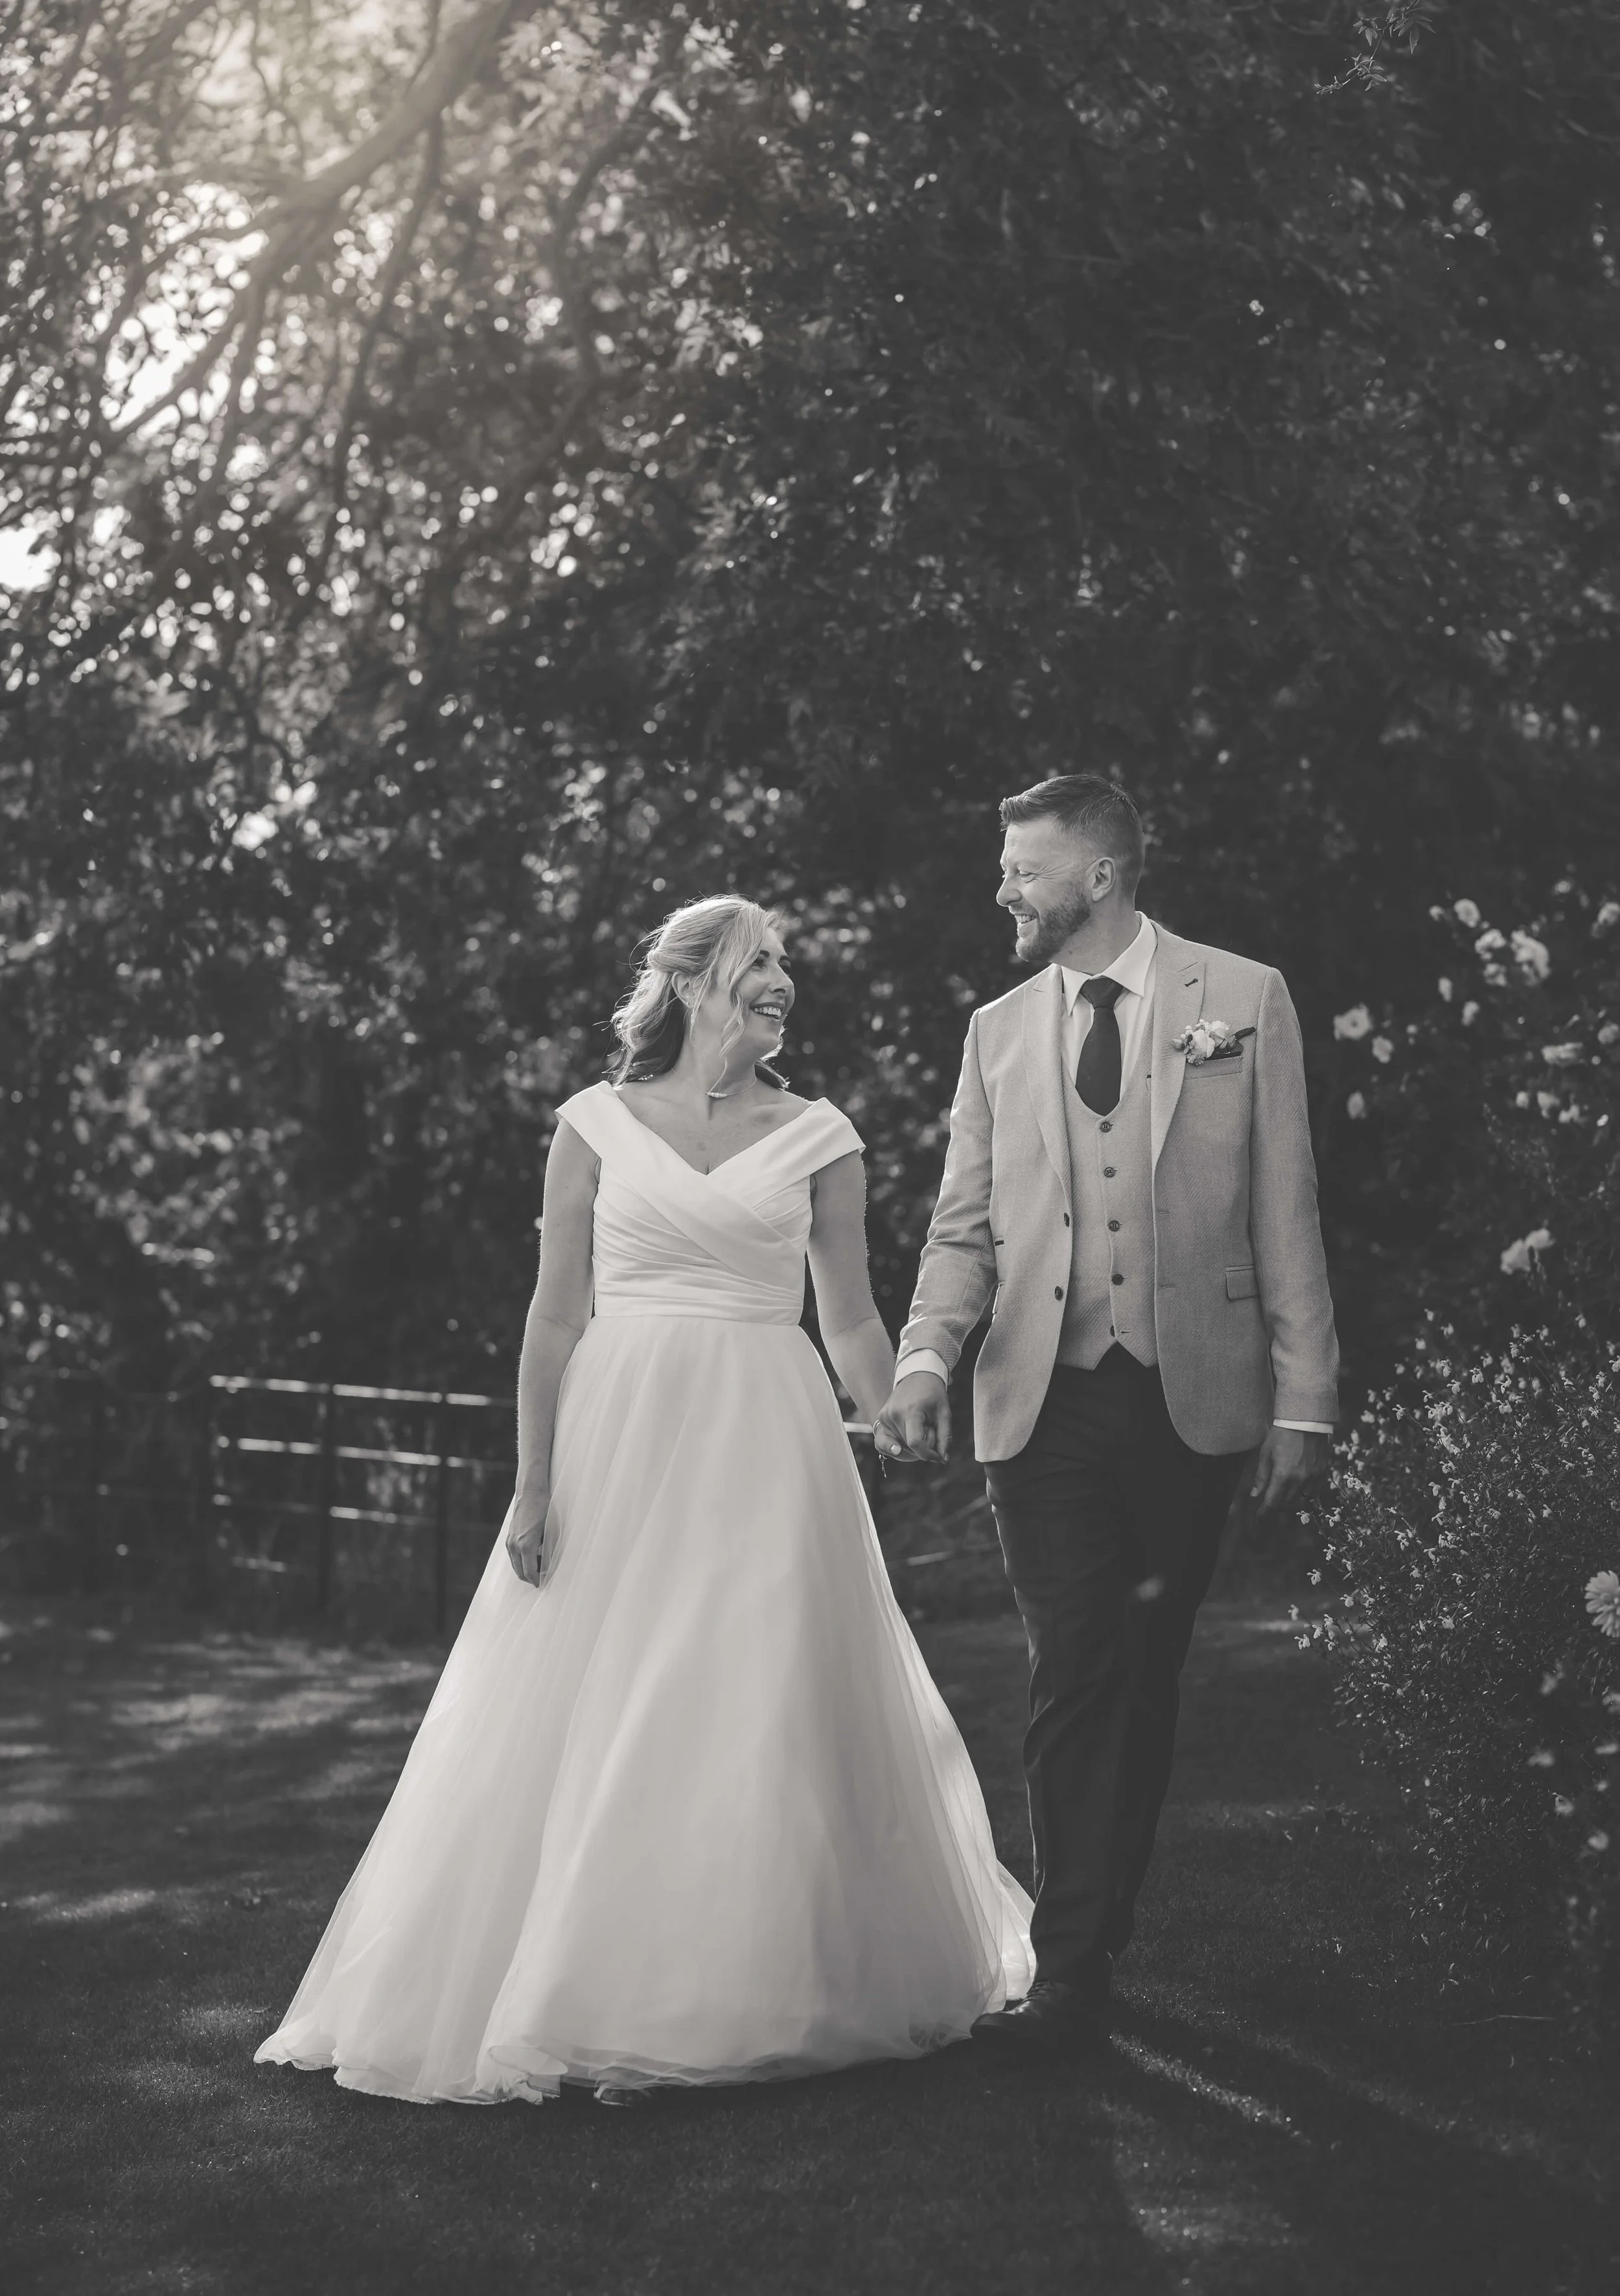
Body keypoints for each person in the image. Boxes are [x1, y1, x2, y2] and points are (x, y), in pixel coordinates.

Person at [256, 895, 1031, 2107]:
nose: (783, 977)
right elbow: (555, 1315)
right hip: (619, 1430)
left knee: (749, 1693)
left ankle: (751, 1985)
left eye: (783, 960)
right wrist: (534, 1481)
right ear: (690, 981)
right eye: (758, 961)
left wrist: (898, 1406)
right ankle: (585, 1985)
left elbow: (850, 1314)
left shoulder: (822, 1134)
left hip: (767, 1440)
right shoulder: (596, 1125)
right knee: (600, 1699)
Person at [874, 776, 1339, 2055]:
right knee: (1076, 1662)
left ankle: (1095, 1920)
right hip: (1041, 1397)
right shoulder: (995, 1031)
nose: (1002, 890)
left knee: (1142, 1673)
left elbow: (1282, 1208)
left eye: (1022, 868)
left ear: (1098, 876)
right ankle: (1070, 1963)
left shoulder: (1238, 1002)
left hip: (1192, 1397)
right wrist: (924, 1355)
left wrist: (1301, 1400)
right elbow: (962, 1227)